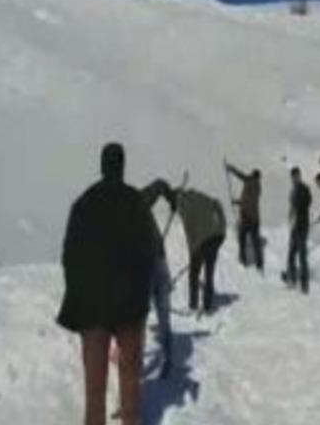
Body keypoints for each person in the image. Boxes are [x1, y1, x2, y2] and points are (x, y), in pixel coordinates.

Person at [58, 143, 157, 425]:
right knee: (130, 386)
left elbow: (70, 256)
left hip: (92, 310)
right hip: (130, 309)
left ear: (102, 166)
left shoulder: (83, 203)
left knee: (95, 390)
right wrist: (140, 294)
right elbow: (149, 253)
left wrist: (79, 294)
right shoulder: (135, 202)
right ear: (122, 166)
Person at [168, 186, 226, 314]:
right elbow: (217, 203)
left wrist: (192, 253)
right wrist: (222, 230)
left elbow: (189, 232)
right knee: (209, 272)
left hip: (202, 240)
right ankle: (207, 305)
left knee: (194, 275)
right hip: (215, 237)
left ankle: (193, 305)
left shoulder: (183, 207)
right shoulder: (200, 195)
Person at [139, 179, 175, 379]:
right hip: (159, 263)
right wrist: (173, 199)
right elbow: (161, 184)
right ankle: (168, 360)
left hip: (145, 270)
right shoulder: (140, 197)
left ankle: (137, 367)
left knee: (139, 320)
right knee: (163, 316)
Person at [225, 162, 263, 272]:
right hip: (255, 219)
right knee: (255, 241)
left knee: (242, 239)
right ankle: (259, 263)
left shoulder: (248, 181)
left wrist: (230, 168)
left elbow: (246, 201)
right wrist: (237, 202)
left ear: (252, 175)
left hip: (247, 217)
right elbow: (249, 201)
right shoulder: (258, 187)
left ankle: (243, 260)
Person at [283, 167, 312, 293]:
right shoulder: (294, 190)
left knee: (302, 255)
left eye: (297, 176)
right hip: (295, 226)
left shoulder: (304, 189)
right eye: (293, 176)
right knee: (291, 254)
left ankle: (304, 284)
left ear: (299, 176)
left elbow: (306, 203)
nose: (295, 178)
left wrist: (296, 209)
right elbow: (292, 206)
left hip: (301, 226)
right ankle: (292, 278)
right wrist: (291, 215)